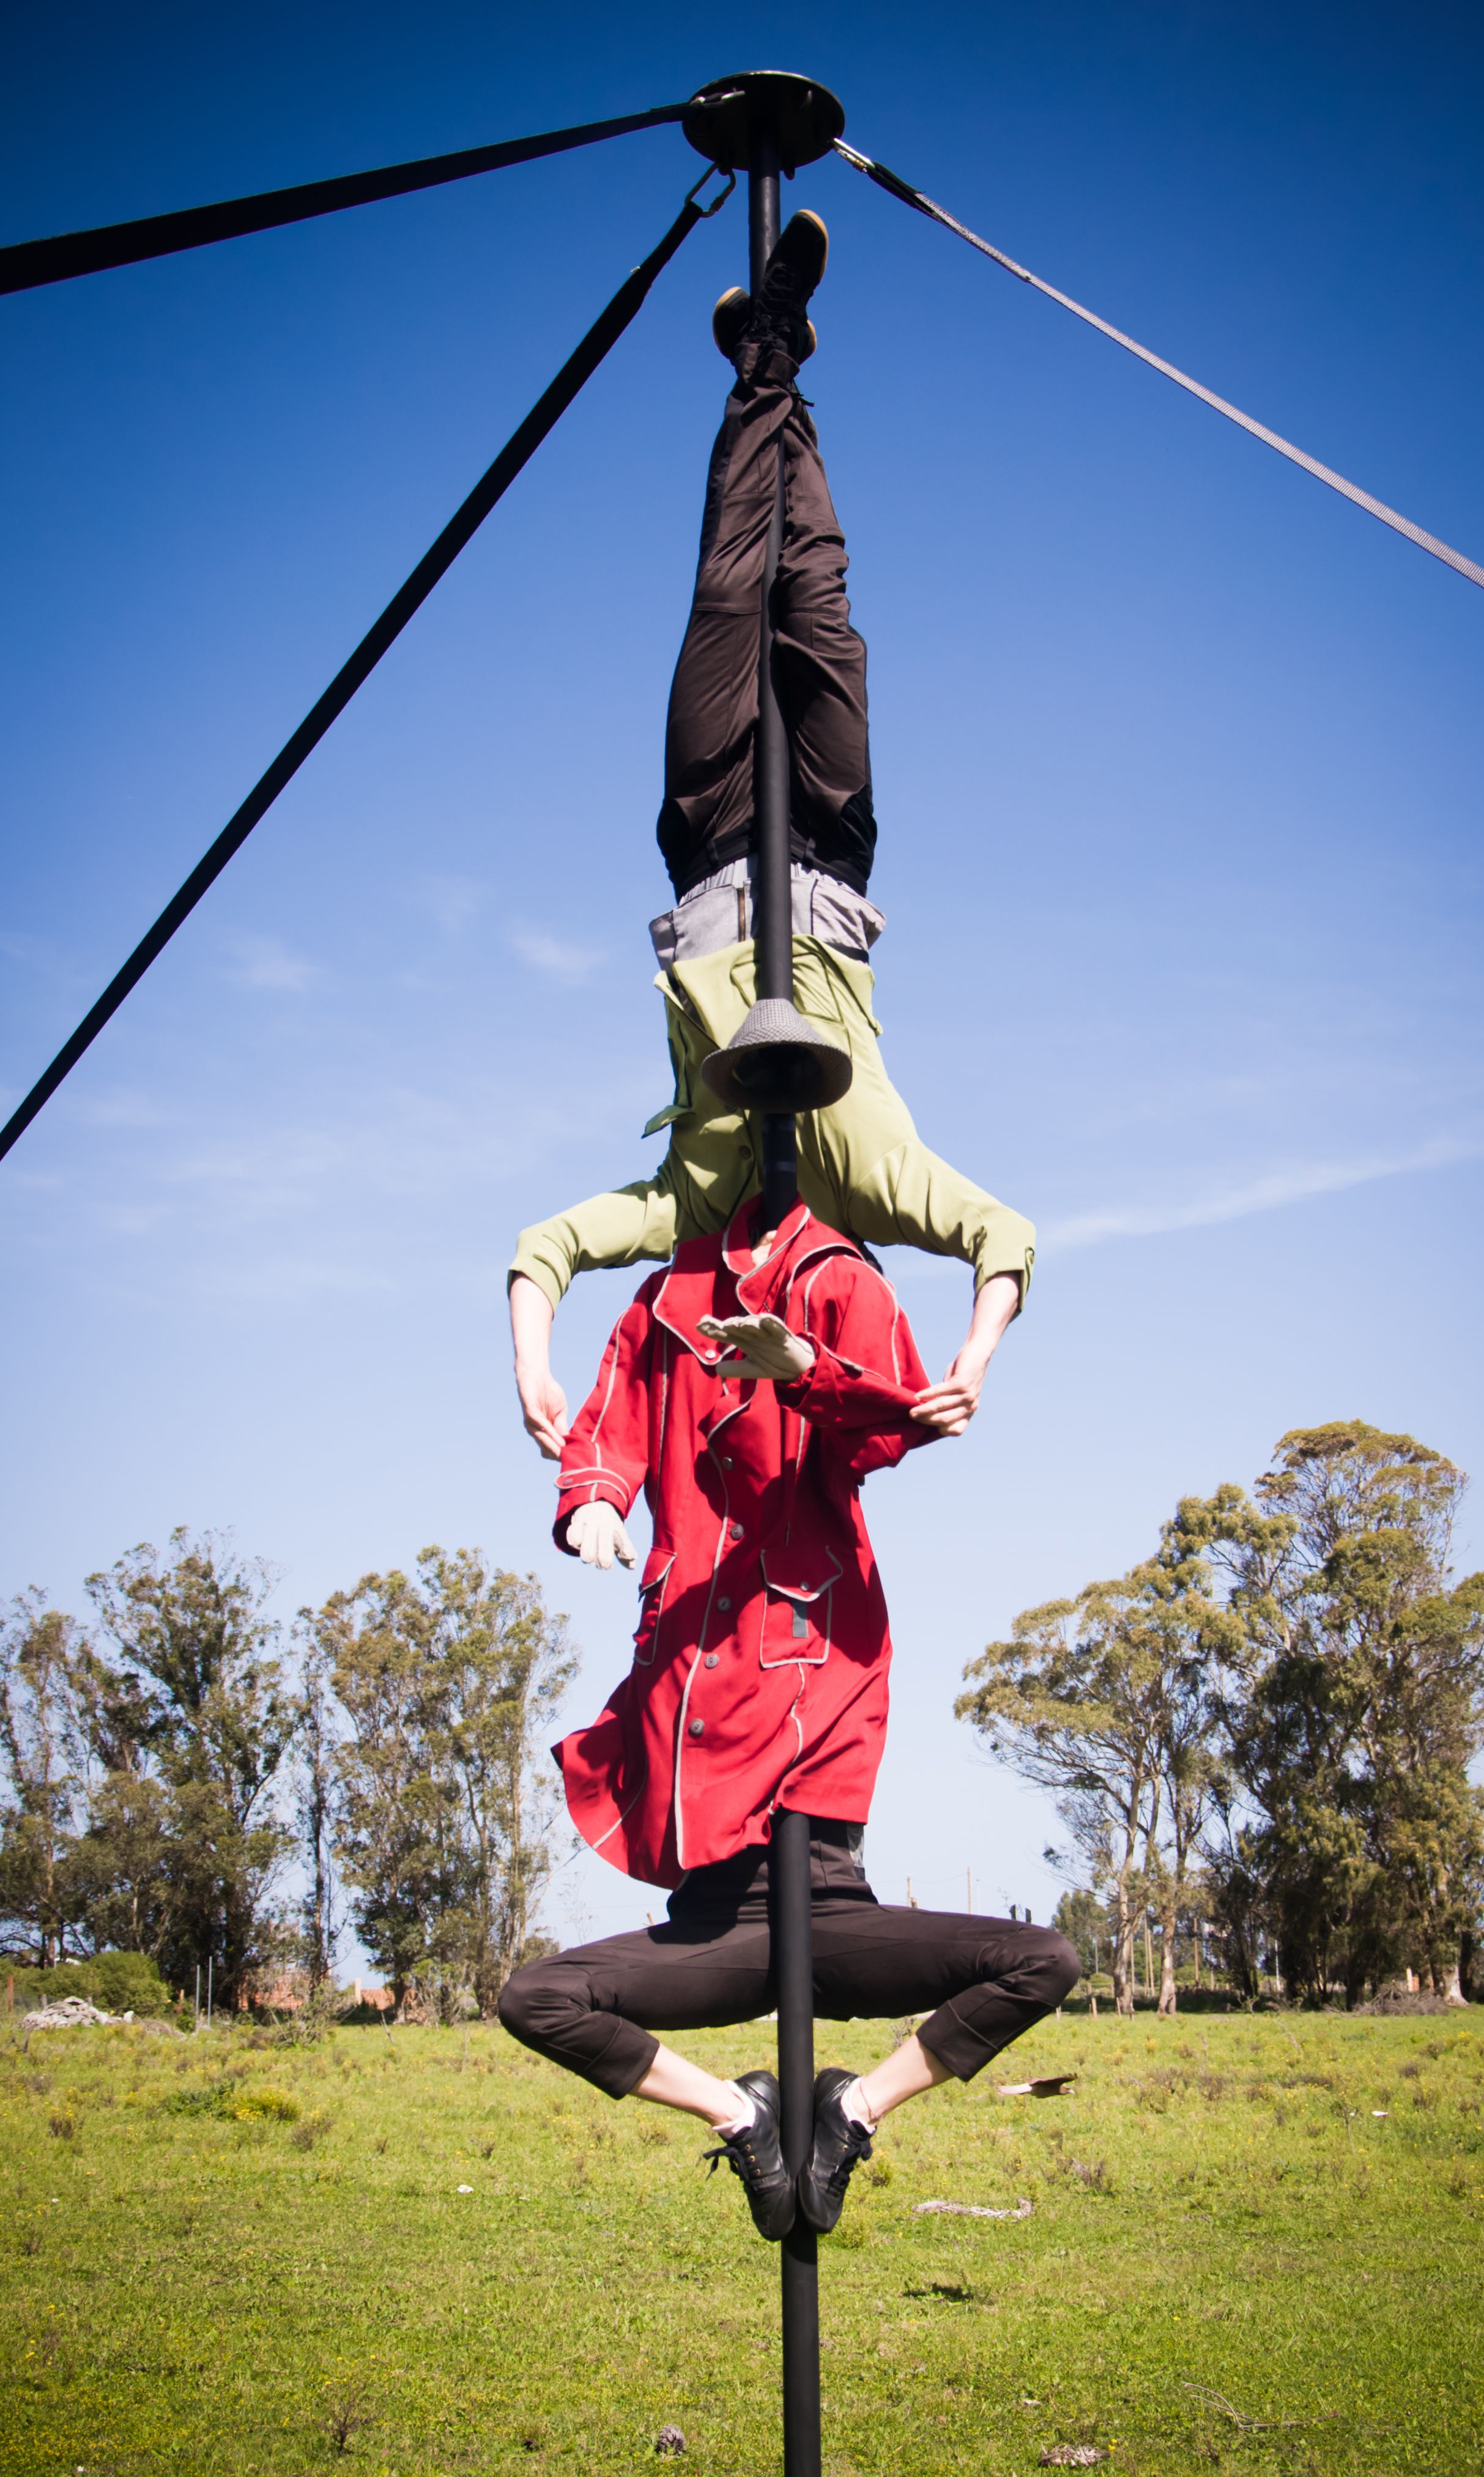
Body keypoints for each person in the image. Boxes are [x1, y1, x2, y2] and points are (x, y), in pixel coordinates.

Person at [508, 209, 1035, 1465]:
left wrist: (531, 1368)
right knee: (820, 619)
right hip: (830, 866)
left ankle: (765, 358)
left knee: (723, 595)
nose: (747, 1265)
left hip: (704, 858)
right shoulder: (870, 1178)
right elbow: (1001, 1232)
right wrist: (969, 1359)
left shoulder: (693, 1197)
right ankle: (776, 351)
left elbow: (550, 1245)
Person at [497, 1190, 1081, 2240]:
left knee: (1045, 1962)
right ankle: (746, 2115)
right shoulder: (665, 1297)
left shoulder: (842, 1278)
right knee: (533, 1997)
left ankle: (851, 2111)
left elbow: (891, 1424)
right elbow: (612, 1424)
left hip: (828, 1897)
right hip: (716, 1919)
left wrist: (801, 1370)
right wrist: (593, 1495)